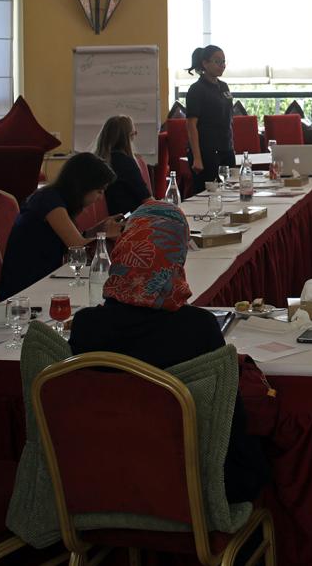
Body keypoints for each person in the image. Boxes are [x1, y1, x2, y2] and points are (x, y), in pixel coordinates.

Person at [69, 201, 269, 504]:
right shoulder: (198, 328)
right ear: (176, 259)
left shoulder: (86, 326)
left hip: (103, 482)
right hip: (190, 488)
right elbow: (228, 418)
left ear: (121, 251)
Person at [0, 153, 120, 299]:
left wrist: (100, 228)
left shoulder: (55, 198)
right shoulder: (48, 201)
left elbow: (73, 239)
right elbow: (77, 247)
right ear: (83, 186)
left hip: (41, 279)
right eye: (99, 191)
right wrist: (106, 236)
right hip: (24, 289)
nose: (100, 197)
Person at [184, 45, 233, 196]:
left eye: (223, 61)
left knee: (230, 191)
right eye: (217, 61)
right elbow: (191, 125)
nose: (222, 65)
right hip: (206, 151)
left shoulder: (223, 86)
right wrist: (197, 158)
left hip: (226, 148)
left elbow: (227, 118)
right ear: (205, 63)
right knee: (208, 196)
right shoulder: (196, 89)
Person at [92, 115, 151, 216]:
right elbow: (147, 200)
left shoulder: (97, 161)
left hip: (110, 219)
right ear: (128, 137)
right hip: (130, 218)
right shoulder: (126, 163)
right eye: (134, 133)